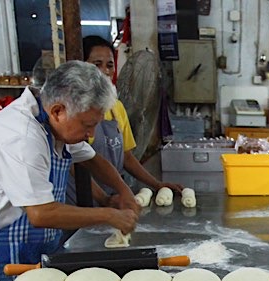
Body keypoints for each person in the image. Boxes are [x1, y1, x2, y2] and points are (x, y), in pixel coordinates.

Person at [0, 60, 139, 281]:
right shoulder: (21, 136)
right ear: (58, 110)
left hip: (28, 250)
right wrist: (109, 215)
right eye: (88, 125)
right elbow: (41, 214)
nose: (91, 133)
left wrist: (120, 192)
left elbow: (92, 159)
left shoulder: (53, 123)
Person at [67, 35, 183, 207]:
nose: (105, 71)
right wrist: (103, 200)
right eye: (96, 65)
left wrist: (156, 184)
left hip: (112, 199)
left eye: (110, 65)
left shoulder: (116, 107)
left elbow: (126, 157)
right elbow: (75, 164)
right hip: (80, 202)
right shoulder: (73, 109)